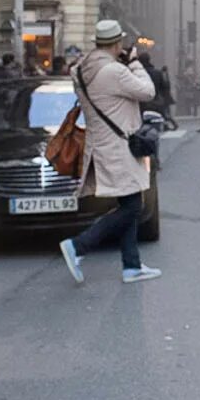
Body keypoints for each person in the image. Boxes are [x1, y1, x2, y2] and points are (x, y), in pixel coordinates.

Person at [59, 20, 160, 285]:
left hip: (100, 144)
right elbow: (148, 91)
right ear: (117, 44)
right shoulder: (114, 71)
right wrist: (135, 63)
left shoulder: (81, 70)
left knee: (128, 203)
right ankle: (78, 245)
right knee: (132, 206)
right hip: (120, 146)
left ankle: (132, 266)